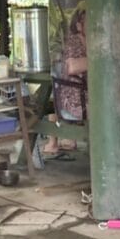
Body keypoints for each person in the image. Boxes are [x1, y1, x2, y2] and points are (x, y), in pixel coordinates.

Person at [43, 8, 87, 155]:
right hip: (76, 99)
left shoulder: (89, 41)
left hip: (84, 93)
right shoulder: (74, 42)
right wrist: (101, 60)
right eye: (88, 21)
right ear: (79, 25)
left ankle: (60, 141)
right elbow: (72, 66)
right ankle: (55, 141)